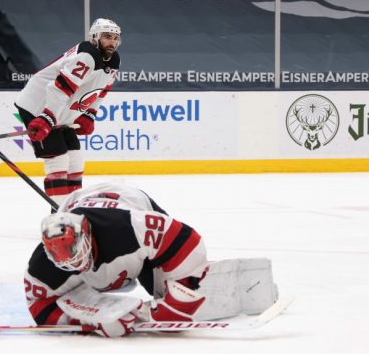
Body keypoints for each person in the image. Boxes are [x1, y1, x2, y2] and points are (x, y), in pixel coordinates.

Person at [24, 182, 279, 337]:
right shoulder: (42, 264)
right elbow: (40, 307)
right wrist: (91, 322)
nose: (68, 261)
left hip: (130, 200)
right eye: (58, 254)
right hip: (76, 204)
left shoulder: (130, 227)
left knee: (163, 290)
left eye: (72, 250)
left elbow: (187, 242)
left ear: (87, 234)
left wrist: (178, 296)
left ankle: (194, 280)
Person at [14, 19, 121, 208]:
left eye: (115, 38)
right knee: (58, 160)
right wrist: (47, 116)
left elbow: (102, 90)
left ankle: (71, 209)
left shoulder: (113, 60)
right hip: (38, 105)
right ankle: (60, 216)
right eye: (107, 37)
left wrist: (90, 114)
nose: (112, 42)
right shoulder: (87, 56)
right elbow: (59, 88)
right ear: (95, 38)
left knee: (75, 160)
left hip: (60, 110)